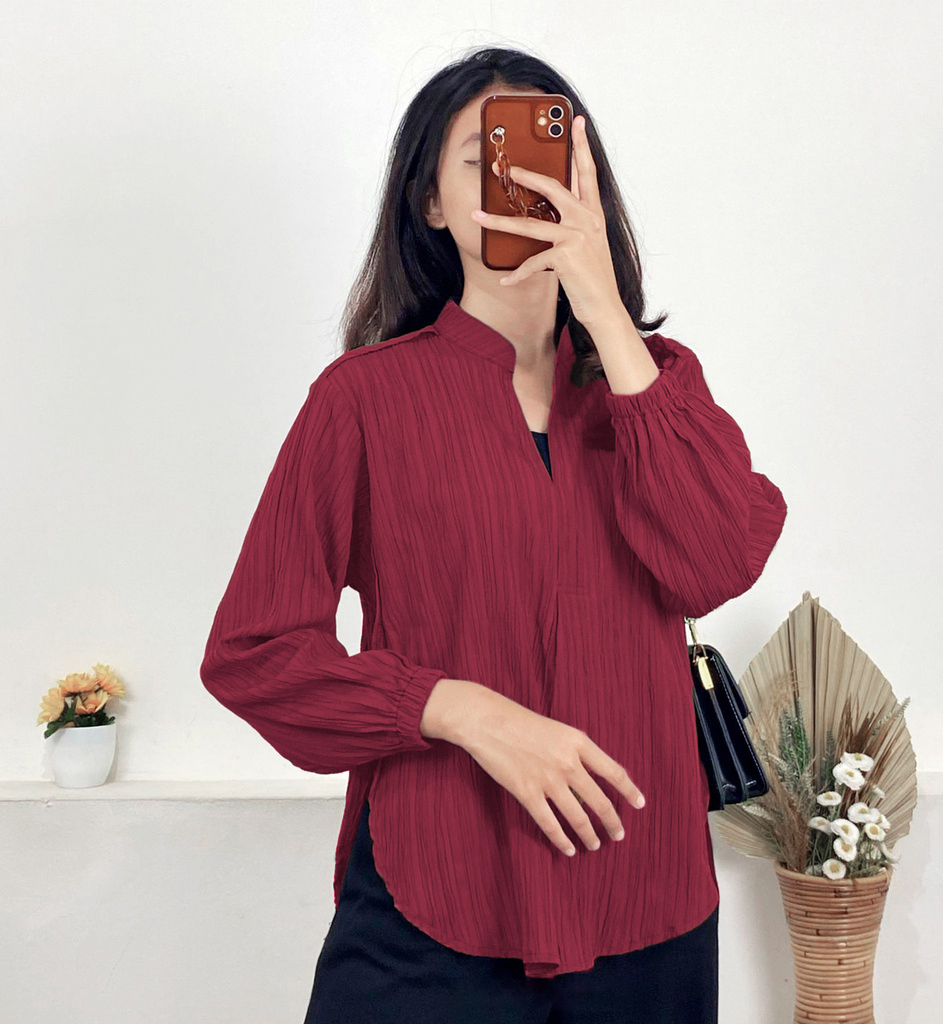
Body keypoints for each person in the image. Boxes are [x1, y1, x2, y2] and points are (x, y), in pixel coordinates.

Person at [200, 45, 787, 1024]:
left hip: (646, 910)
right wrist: (456, 707)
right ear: (431, 202)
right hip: (434, 902)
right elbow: (254, 653)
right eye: (483, 160)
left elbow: (720, 559)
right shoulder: (363, 402)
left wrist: (606, 315)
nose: (520, 185)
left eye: (545, 158)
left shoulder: (655, 386)